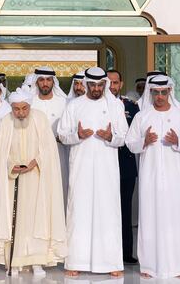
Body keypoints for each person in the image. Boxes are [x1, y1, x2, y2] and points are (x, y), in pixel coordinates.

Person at [57, 67, 129, 276]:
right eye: (93, 85)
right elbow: (63, 134)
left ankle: (111, 264)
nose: (96, 89)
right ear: (86, 84)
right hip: (81, 168)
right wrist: (77, 135)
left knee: (108, 212)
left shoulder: (115, 106)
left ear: (104, 85)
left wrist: (110, 137)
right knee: (79, 211)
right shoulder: (74, 105)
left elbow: (123, 136)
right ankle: (75, 263)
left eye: (100, 85)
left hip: (107, 170)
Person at [0, 91, 67, 275]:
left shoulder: (40, 118)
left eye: (24, 109)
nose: (21, 113)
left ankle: (37, 261)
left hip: (36, 178)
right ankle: (14, 263)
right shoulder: (6, 122)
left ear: (30, 107)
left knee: (36, 218)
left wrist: (35, 162)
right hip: (12, 180)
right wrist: (10, 166)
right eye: (16, 109)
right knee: (14, 218)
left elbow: (48, 148)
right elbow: (1, 154)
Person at [125, 75, 180, 279]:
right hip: (150, 178)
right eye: (156, 92)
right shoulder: (142, 116)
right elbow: (130, 143)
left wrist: (178, 141)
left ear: (169, 92)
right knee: (150, 218)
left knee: (175, 219)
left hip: (174, 179)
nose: (160, 96)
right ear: (151, 93)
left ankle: (179, 266)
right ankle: (149, 266)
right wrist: (143, 141)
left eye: (164, 92)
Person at [109, 68, 140, 264]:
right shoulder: (94, 105)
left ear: (120, 84)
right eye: (108, 82)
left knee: (124, 210)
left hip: (125, 166)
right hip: (102, 166)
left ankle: (125, 252)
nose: (112, 86)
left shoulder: (131, 106)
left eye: (115, 83)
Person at [30, 66, 69, 202]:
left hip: (59, 153)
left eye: (48, 80)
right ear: (36, 82)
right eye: (41, 80)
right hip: (34, 153)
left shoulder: (64, 103)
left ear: (54, 82)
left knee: (58, 189)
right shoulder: (30, 103)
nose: (45, 83)